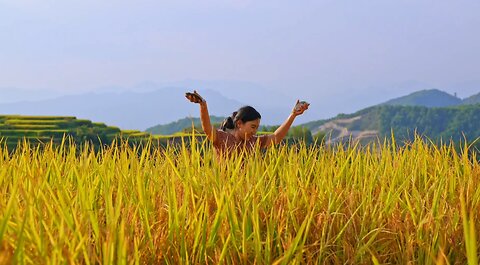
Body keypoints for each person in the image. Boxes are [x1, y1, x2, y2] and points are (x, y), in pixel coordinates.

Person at [185, 90, 309, 155]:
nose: (255, 131)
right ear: (239, 124)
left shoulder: (254, 142)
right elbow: (207, 129)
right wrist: (203, 105)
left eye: (257, 128)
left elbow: (276, 137)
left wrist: (293, 115)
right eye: (252, 127)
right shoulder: (222, 139)